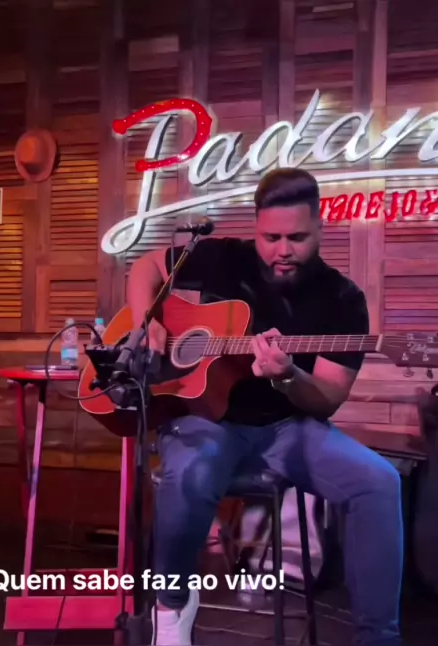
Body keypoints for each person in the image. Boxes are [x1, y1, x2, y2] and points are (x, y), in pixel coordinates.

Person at [127, 168, 404, 646]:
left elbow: (327, 399)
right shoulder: (223, 257)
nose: (282, 250)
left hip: (287, 427)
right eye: (270, 238)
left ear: (320, 227)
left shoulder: (343, 300)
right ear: (256, 227)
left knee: (380, 482)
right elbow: (144, 268)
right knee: (191, 472)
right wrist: (144, 320)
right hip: (207, 419)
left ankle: (378, 638)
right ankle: (170, 607)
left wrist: (289, 376)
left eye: (296, 238)